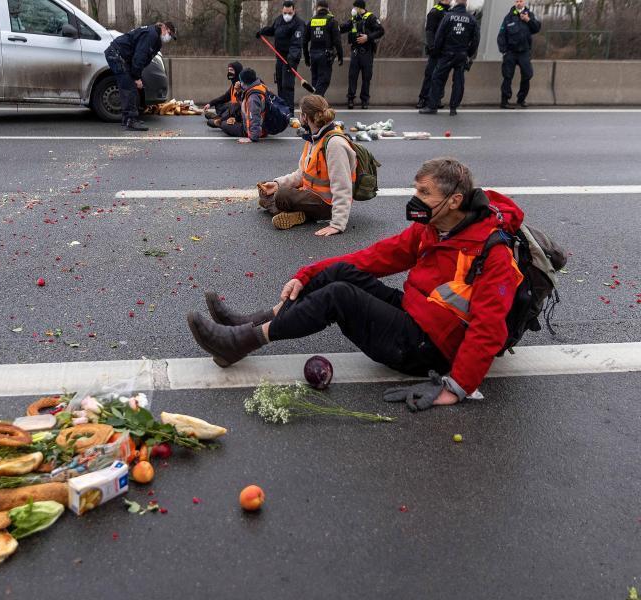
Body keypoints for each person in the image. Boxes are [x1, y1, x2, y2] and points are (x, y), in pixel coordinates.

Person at [187, 157, 526, 412]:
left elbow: (489, 327)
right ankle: (251, 321)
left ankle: (241, 342)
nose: (415, 198)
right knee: (339, 273)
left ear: (454, 200)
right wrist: (308, 272)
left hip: (427, 348)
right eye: (416, 189)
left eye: (424, 192)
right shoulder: (435, 228)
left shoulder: (492, 253)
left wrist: (456, 387)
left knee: (340, 296)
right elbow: (375, 257)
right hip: (414, 315)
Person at [256, 95, 356, 235]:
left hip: (327, 204)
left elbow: (342, 187)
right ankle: (301, 215)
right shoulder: (313, 139)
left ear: (305, 117)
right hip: (309, 195)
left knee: (282, 195)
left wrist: (337, 224)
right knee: (265, 194)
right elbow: (301, 174)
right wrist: (277, 183)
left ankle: (306, 215)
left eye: (300, 114)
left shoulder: (335, 144)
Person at [104, 21, 177, 131]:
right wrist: (137, 78)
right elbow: (139, 57)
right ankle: (131, 120)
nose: (169, 37)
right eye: (169, 34)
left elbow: (144, 60)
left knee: (127, 87)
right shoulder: (151, 35)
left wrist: (137, 75)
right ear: (164, 28)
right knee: (130, 88)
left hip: (121, 56)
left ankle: (126, 118)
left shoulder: (156, 38)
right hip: (116, 55)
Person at [419, 0, 479, 116]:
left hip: (446, 54)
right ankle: (453, 108)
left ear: (455, 2)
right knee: (458, 81)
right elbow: (476, 40)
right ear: (466, 3)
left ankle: (432, 106)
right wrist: (468, 53)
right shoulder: (472, 19)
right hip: (462, 54)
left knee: (437, 79)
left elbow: (439, 36)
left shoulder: (448, 17)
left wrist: (436, 51)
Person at [256, 1, 305, 117]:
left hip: (290, 58)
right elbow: (273, 30)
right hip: (279, 57)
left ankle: (289, 113)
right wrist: (262, 31)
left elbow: (296, 44)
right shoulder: (279, 20)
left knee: (287, 85)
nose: (287, 15)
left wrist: (291, 60)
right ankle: (282, 110)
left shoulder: (299, 24)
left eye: (289, 12)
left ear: (294, 11)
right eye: (285, 12)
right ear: (282, 11)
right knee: (280, 83)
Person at [340, 0, 384, 110]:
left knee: (366, 77)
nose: (353, 10)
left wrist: (367, 37)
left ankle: (365, 100)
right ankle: (351, 99)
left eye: (355, 7)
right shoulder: (354, 19)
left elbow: (381, 31)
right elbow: (344, 27)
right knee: (352, 76)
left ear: (360, 8)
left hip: (367, 52)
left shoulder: (371, 18)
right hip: (355, 52)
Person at [498, 0, 541, 109]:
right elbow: (501, 35)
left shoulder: (529, 15)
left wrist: (528, 20)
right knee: (507, 76)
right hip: (511, 52)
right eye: (517, 1)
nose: (519, 3)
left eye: (521, 1)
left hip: (524, 52)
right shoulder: (508, 17)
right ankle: (504, 101)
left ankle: (521, 99)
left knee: (528, 74)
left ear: (524, 2)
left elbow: (537, 28)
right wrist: (504, 51)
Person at [303, 0, 343, 97]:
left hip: (313, 55)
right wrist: (340, 56)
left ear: (317, 8)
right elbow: (337, 41)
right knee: (324, 81)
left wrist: (307, 58)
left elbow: (304, 41)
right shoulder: (332, 21)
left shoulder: (312, 21)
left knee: (315, 82)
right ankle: (315, 101)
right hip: (325, 56)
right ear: (327, 9)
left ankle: (316, 106)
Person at [416, 0, 451, 109]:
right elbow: (429, 31)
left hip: (446, 51)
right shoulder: (435, 11)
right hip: (436, 50)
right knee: (430, 75)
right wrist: (432, 47)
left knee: (442, 77)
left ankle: (436, 99)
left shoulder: (450, 12)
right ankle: (423, 99)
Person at [220, 69, 267, 143]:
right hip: (263, 124)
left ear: (245, 82)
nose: (240, 83)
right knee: (232, 112)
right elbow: (244, 104)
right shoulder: (259, 86)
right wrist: (239, 91)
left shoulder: (253, 98)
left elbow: (254, 117)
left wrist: (252, 138)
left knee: (224, 125)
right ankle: (219, 121)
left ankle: (219, 122)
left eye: (241, 81)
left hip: (256, 130)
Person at [203, 61, 243, 128]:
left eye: (231, 70)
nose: (229, 72)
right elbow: (225, 97)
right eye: (228, 70)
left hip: (238, 110)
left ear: (237, 71)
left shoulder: (242, 84)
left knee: (211, 122)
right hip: (232, 108)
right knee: (218, 103)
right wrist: (210, 104)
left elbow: (240, 105)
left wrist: (221, 120)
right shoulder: (233, 84)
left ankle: (220, 119)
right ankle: (219, 117)